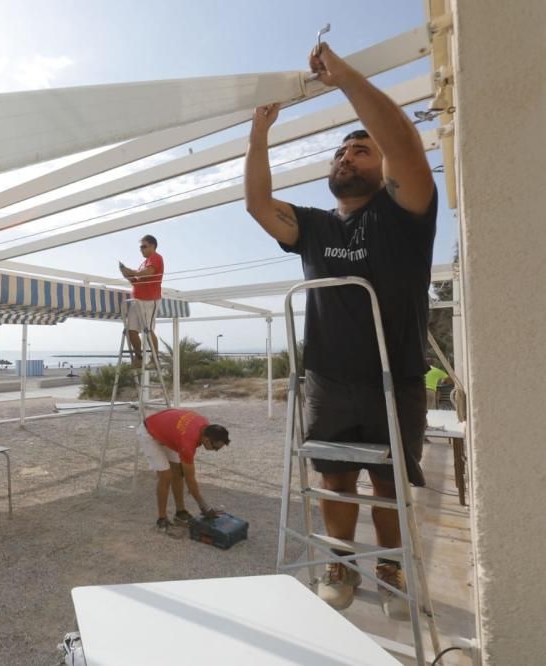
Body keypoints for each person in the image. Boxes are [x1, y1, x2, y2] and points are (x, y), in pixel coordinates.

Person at [243, 42, 437, 620]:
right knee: (334, 478)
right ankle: (341, 563)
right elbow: (256, 202)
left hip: (393, 378)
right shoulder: (313, 224)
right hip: (326, 379)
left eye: (360, 149)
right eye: (342, 151)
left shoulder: (405, 211)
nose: (347, 156)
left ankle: (392, 565)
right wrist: (260, 130)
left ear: (383, 168)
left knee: (388, 484)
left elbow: (403, 142)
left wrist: (348, 80)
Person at [138, 408, 231, 532]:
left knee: (178, 472)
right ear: (207, 440)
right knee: (166, 475)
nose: (215, 450)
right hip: (149, 432)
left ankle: (180, 512)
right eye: (215, 447)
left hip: (168, 432)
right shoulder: (188, 442)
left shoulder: (205, 426)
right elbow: (190, 480)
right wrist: (204, 506)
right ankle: (162, 519)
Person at [119, 234, 164, 368]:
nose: (141, 250)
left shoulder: (156, 258)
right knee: (130, 330)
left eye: (144, 246)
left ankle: (155, 360)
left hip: (150, 300)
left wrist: (132, 271)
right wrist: (126, 274)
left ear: (153, 246)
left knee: (148, 330)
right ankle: (139, 358)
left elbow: (148, 273)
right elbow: (136, 281)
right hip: (137, 300)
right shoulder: (143, 264)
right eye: (140, 247)